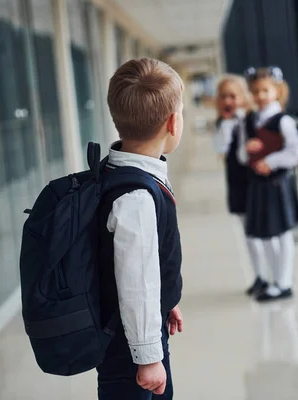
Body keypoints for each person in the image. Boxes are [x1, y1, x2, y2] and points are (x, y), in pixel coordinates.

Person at [97, 58, 185, 399]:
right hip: (128, 346)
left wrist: (166, 299)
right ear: (173, 123)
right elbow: (135, 281)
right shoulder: (136, 197)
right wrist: (148, 357)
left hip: (137, 332)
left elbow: (147, 268)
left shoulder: (125, 175)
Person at [237, 66, 298, 302]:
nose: (260, 96)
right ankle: (276, 280)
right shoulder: (249, 121)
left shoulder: (283, 121)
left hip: (276, 183)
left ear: (277, 91)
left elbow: (296, 152)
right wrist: (249, 151)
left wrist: (271, 160)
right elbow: (242, 156)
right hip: (258, 183)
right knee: (264, 234)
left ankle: (284, 282)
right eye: (255, 91)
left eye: (265, 90)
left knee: (282, 233)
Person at [214, 75, 267, 296]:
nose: (229, 101)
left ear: (243, 97)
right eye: (225, 96)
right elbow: (220, 147)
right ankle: (260, 276)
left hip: (256, 179)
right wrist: (226, 122)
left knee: (263, 230)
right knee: (248, 233)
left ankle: (272, 277)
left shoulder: (253, 118)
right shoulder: (223, 122)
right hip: (237, 180)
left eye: (234, 96)